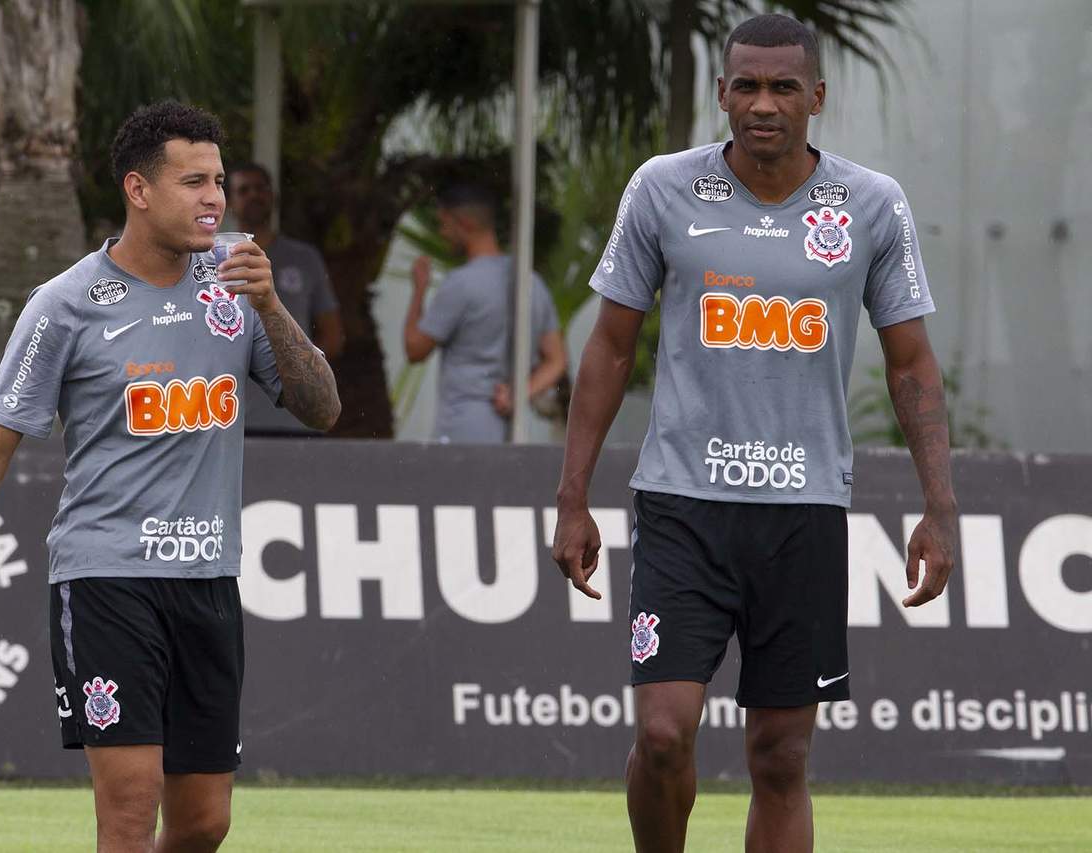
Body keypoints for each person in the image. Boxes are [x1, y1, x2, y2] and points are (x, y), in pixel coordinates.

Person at [551, 15, 957, 853]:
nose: (762, 104)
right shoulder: (662, 187)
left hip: (803, 515)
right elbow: (610, 342)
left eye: (781, 88)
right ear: (722, 93)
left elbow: (911, 364)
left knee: (781, 754)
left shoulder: (873, 202)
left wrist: (939, 507)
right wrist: (572, 494)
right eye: (745, 86)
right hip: (680, 507)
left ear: (816, 96)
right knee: (663, 734)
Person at [0, 101, 339, 852]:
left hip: (209, 579)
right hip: (106, 581)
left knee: (204, 823)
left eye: (219, 181)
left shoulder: (235, 284)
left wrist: (270, 307)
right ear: (139, 190)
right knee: (130, 813)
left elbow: (322, 407)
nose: (215, 198)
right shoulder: (64, 304)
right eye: (193, 181)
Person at [404, 184, 568, 443]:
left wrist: (419, 289)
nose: (441, 233)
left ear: (464, 223)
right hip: (511, 430)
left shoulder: (461, 283)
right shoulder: (530, 282)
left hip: (461, 427)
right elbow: (557, 359)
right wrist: (520, 393)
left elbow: (415, 349)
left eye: (444, 224)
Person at [228, 163, 343, 435]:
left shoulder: (304, 258)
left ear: (274, 196)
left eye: (261, 188)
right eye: (244, 190)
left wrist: (297, 369)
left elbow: (333, 335)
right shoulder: (214, 261)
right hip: (235, 419)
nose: (254, 195)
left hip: (297, 419)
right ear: (229, 202)